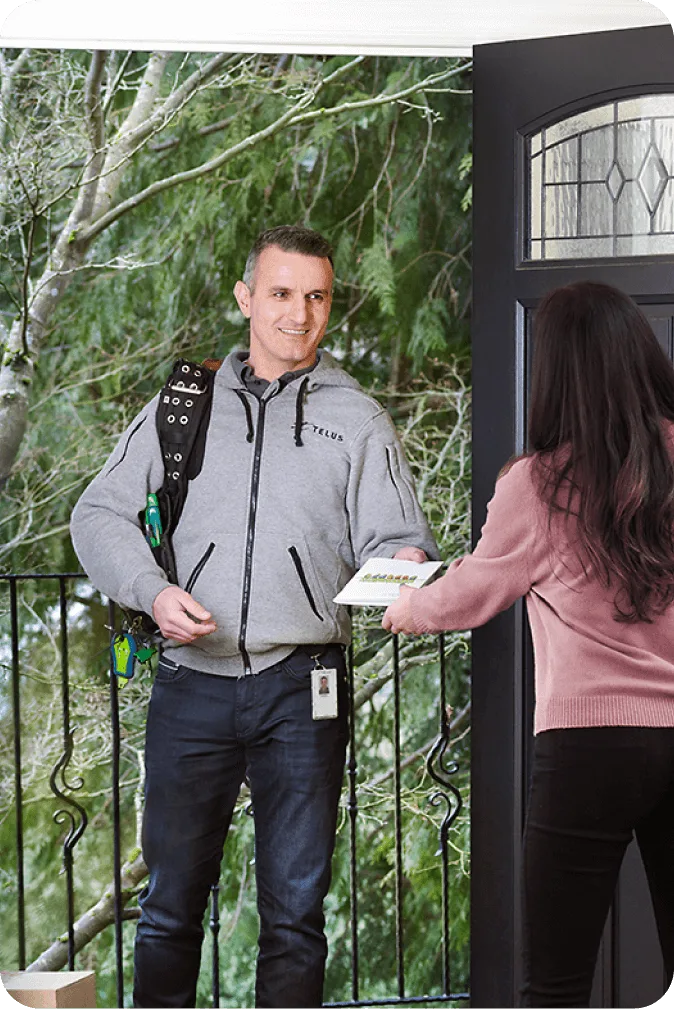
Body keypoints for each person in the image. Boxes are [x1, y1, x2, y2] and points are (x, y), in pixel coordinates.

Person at [70, 225, 439, 1009]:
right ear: (246, 298)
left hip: (306, 688)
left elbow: (402, 541)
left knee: (296, 919)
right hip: (188, 686)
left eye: (316, 296)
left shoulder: (359, 419)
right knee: (168, 912)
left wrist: (406, 566)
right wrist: (150, 588)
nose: (299, 314)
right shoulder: (184, 403)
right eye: (280, 293)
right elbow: (98, 514)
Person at [382, 281, 674, 1009]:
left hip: (588, 747)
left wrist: (407, 606)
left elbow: (472, 591)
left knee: (555, 985)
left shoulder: (539, 484)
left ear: (556, 373)